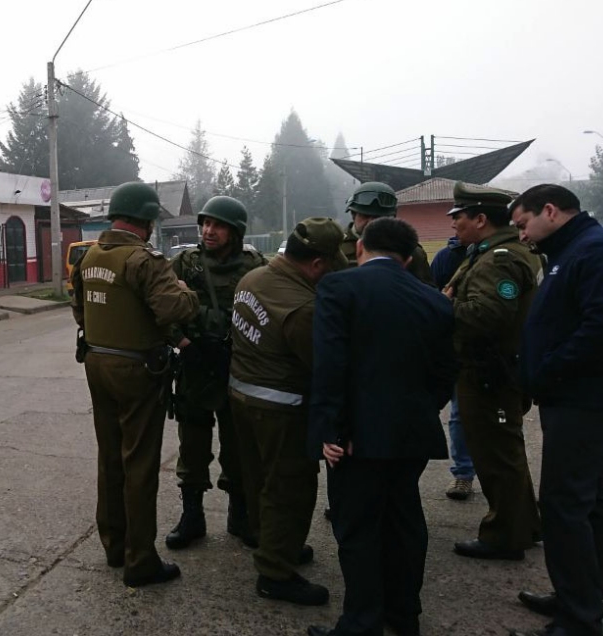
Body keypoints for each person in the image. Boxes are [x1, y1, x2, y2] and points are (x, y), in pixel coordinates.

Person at [306, 217, 457, 636]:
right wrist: (419, 410)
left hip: (356, 440)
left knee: (357, 530)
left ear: (359, 248)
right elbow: (445, 373)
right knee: (405, 523)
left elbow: (330, 365)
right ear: (408, 259)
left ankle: (361, 623)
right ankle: (403, 615)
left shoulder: (338, 288)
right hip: (412, 434)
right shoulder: (435, 301)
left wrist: (331, 431)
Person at [507, 184, 603, 636]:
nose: (521, 235)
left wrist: (549, 370)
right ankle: (583, 592)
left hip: (586, 400)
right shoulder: (571, 250)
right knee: (589, 497)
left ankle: (578, 619)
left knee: (564, 504)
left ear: (550, 211)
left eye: (523, 224)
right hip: (577, 398)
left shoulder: (595, 251)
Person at [70, 181, 200, 588]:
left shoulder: (89, 256)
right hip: (137, 372)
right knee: (139, 464)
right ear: (144, 220)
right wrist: (188, 293)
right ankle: (140, 560)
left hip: (96, 363)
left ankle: (114, 544)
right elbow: (171, 307)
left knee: (110, 458)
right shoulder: (144, 260)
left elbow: (79, 312)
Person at [229, 217, 346, 607]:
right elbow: (324, 365)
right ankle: (275, 572)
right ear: (316, 264)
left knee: (260, 481)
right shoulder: (303, 307)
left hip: (243, 398)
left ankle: (273, 544)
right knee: (290, 488)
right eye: (331, 264)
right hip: (280, 409)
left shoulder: (254, 279)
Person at [443, 181, 542, 562]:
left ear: (480, 219)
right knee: (506, 452)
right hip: (497, 370)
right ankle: (525, 525)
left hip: (489, 373)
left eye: (459, 217)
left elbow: (486, 316)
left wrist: (443, 306)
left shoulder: (498, 258)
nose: (453, 225)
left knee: (496, 455)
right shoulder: (490, 252)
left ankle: (504, 535)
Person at [164, 196, 267, 551]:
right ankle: (192, 516)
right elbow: (159, 305)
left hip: (237, 365)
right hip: (194, 364)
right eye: (206, 223)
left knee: (238, 445)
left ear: (235, 232)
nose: (209, 230)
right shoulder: (185, 263)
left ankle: (240, 516)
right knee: (192, 445)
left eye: (218, 225)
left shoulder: (255, 267)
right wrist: (181, 341)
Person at [430, 235, 475, 500]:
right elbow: (432, 296)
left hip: (489, 351)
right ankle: (463, 474)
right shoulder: (447, 257)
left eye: (461, 216)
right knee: (458, 415)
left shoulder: (503, 254)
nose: (454, 224)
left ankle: (507, 482)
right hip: (453, 347)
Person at [339, 181, 434, 285]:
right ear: (353, 215)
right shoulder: (335, 245)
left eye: (377, 218)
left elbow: (426, 291)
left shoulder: (410, 251)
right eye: (365, 216)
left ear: (391, 218)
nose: (370, 222)